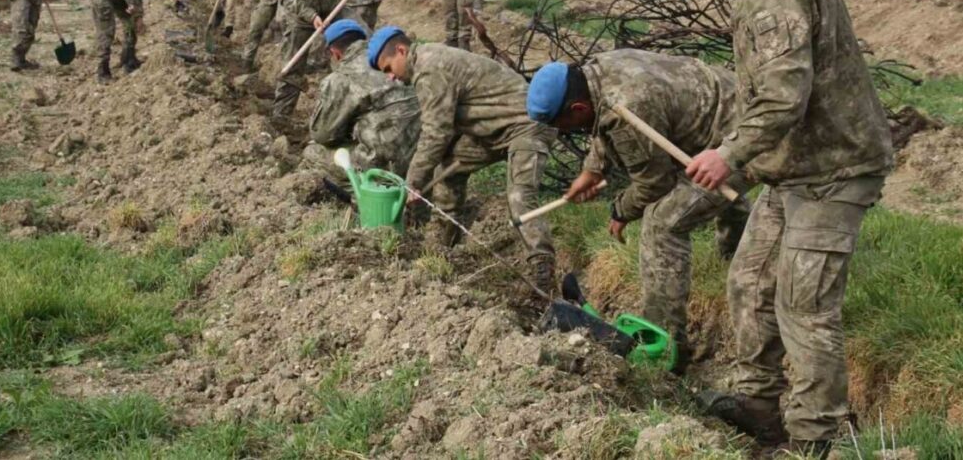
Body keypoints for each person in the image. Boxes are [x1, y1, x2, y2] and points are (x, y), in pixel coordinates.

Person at [675, 0, 894, 456]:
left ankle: (814, 438)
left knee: (804, 307)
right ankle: (759, 405)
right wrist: (741, 153)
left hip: (834, 170)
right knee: (749, 281)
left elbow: (781, 97)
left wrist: (728, 155)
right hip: (795, 167)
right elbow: (763, 99)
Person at [526, 51, 751, 373]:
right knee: (702, 199)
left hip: (743, 140)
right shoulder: (599, 73)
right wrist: (593, 170)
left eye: (565, 125)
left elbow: (653, 184)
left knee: (662, 223)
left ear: (577, 108)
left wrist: (620, 210)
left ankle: (664, 342)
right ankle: (733, 257)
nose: (567, 132)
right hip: (726, 109)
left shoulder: (627, 103)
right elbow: (604, 119)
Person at [368, 27, 558, 293]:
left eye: (388, 68)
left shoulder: (429, 69)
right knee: (449, 167)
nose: (390, 78)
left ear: (401, 50)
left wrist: (413, 181)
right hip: (491, 130)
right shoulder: (427, 62)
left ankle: (543, 273)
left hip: (526, 125)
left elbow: (437, 132)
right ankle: (441, 249)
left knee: (519, 196)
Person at [301, 19, 421, 188]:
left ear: (335, 53)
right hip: (423, 157)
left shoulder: (341, 77)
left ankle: (363, 193)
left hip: (387, 166)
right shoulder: (387, 58)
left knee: (313, 153)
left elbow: (322, 134)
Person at [86, 0, 185, 82]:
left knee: (130, 24)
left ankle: (128, 60)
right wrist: (134, 7)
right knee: (107, 28)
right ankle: (102, 70)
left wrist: (138, 16)